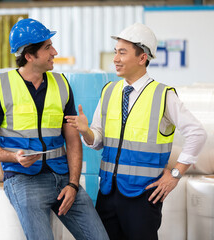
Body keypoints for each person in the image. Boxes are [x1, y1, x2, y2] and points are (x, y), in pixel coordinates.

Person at [65, 22, 207, 240]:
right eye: (115, 52)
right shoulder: (109, 91)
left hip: (143, 197)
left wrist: (176, 174)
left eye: (122, 52)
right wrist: (86, 132)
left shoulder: (163, 95)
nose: (115, 59)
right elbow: (98, 140)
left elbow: (197, 133)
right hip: (108, 193)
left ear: (142, 58)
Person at [0, 18, 108, 240]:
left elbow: (73, 141)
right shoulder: (1, 87)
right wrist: (13, 157)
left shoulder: (62, 84)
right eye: (48, 47)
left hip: (62, 178)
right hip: (23, 179)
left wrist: (73, 184)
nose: (54, 52)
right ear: (29, 56)